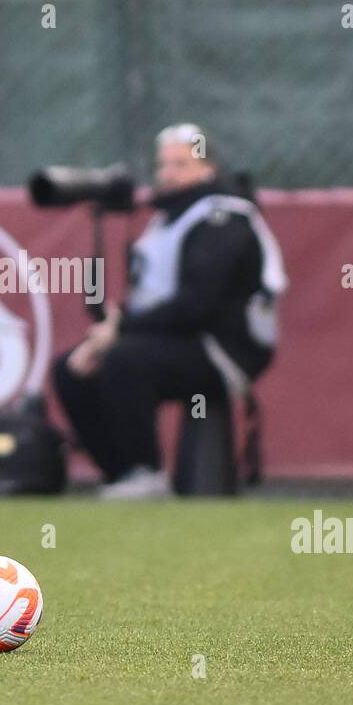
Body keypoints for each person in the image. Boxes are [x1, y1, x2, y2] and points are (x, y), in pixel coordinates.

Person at [52, 124, 287, 499]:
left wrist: (122, 330)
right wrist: (112, 330)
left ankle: (149, 472)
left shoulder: (223, 217)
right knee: (70, 369)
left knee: (125, 360)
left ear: (207, 168)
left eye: (180, 164)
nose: (168, 173)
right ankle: (123, 473)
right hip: (176, 338)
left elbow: (196, 306)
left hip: (225, 348)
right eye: (163, 165)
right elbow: (159, 299)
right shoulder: (167, 217)